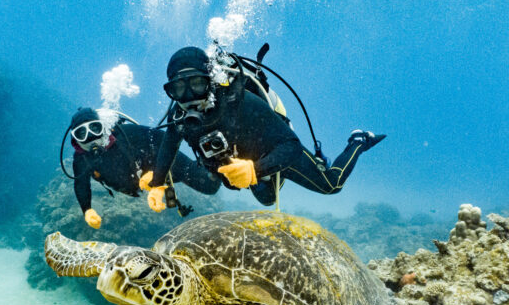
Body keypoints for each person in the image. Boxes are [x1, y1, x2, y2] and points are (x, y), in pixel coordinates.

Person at [146, 46, 385, 211]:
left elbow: (290, 145)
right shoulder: (179, 115)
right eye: (178, 89)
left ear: (210, 81)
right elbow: (169, 145)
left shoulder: (240, 102)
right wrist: (158, 184)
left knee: (331, 185)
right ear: (170, 91)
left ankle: (358, 141)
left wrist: (255, 170)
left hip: (273, 150)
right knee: (267, 199)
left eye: (197, 84)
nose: (188, 96)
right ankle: (265, 177)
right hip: (243, 163)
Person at [67, 106, 219, 228]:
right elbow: (81, 184)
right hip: (137, 183)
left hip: (162, 167)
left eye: (95, 128)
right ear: (75, 138)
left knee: (209, 185)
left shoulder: (126, 134)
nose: (91, 137)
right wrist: (87, 210)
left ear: (103, 127)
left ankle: (220, 151)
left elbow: (163, 138)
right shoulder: (81, 158)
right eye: (82, 133)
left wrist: (157, 172)